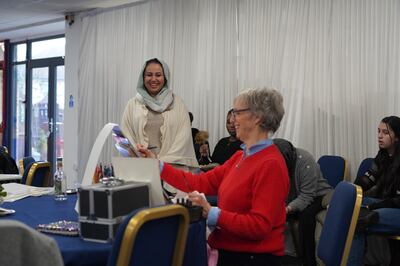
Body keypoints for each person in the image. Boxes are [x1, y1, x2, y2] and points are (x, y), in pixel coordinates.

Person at [138, 87, 289, 266]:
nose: (233, 120)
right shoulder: (241, 156)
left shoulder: (270, 164)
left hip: (252, 259)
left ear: (258, 117)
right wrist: (158, 165)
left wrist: (212, 213)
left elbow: (259, 226)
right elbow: (201, 182)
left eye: (237, 113)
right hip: (233, 254)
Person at [121, 58, 198, 195]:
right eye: (149, 74)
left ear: (165, 77)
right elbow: (126, 134)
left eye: (158, 75)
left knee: (171, 213)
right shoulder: (133, 104)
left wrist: (159, 162)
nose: (153, 79)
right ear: (142, 77)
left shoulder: (178, 104)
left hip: (172, 171)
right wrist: (142, 157)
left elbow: (183, 138)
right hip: (141, 171)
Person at [348, 116, 400, 266]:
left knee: (356, 223)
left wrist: (372, 207)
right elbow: (367, 179)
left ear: (397, 137)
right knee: (352, 206)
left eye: (385, 132)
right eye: (378, 131)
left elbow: (397, 201)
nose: (379, 135)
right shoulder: (383, 155)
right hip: (387, 204)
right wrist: (350, 194)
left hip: (396, 207)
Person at [273, 138, 332, 266]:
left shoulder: (305, 160)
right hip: (295, 197)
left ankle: (308, 261)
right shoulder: (272, 161)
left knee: (306, 215)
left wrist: (287, 209)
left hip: (318, 195)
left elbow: (307, 195)